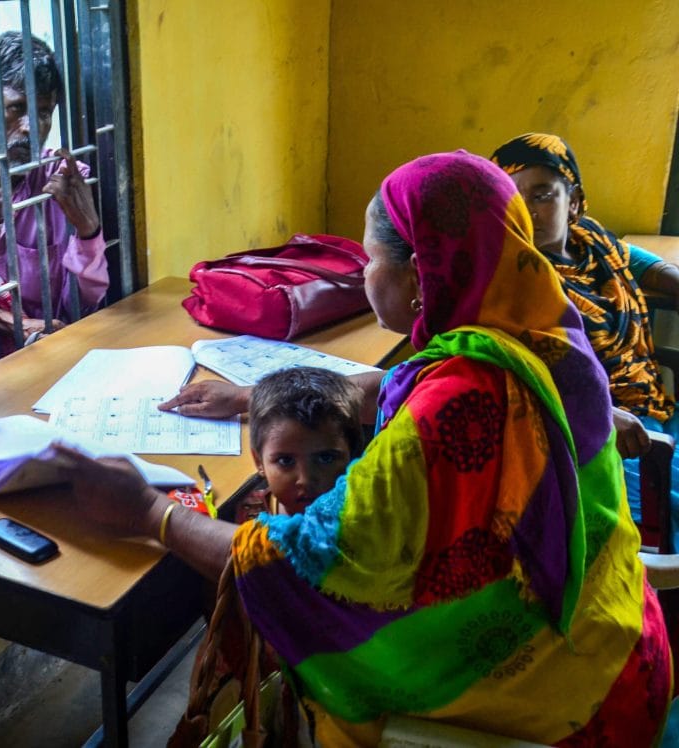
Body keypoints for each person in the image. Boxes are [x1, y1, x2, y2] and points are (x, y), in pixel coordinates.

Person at [54, 151, 672, 745]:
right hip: (620, 635)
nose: (363, 275)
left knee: (262, 535)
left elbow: (310, 561)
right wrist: (257, 397)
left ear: (420, 277)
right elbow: (404, 383)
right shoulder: (542, 331)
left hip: (566, 707)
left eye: (370, 260)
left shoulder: (451, 410)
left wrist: (149, 512)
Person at [492, 133, 679, 545]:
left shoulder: (593, 244)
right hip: (594, 425)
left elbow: (647, 265)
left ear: (573, 201)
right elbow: (513, 372)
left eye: (542, 195)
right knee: (635, 533)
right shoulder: (509, 277)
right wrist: (604, 412)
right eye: (513, 198)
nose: (527, 211)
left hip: (651, 401)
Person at [0, 31, 108, 355]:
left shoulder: (67, 184)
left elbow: (83, 308)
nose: (31, 127)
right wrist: (11, 322)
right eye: (17, 108)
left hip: (53, 359)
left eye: (44, 113)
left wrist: (88, 232)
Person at [248, 367, 362, 516]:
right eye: (285, 461)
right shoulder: (249, 515)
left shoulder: (369, 522)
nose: (305, 480)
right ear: (259, 462)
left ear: (353, 456)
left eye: (325, 458)